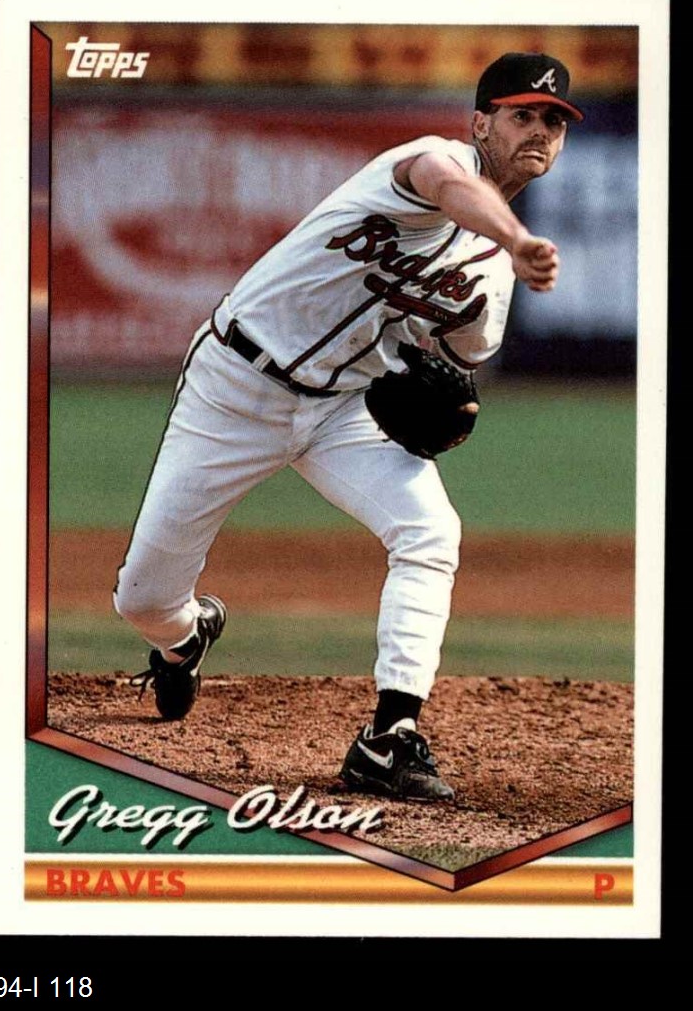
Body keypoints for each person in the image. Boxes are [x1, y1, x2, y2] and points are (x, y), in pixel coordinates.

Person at [115, 52, 583, 801]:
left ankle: (389, 737)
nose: (539, 130)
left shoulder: (494, 271)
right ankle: (183, 637)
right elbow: (450, 188)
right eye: (521, 114)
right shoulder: (431, 161)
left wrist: (447, 391)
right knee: (142, 600)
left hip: (344, 409)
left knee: (429, 532)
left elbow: (462, 360)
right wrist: (519, 238)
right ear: (479, 123)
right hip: (235, 388)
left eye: (554, 121)